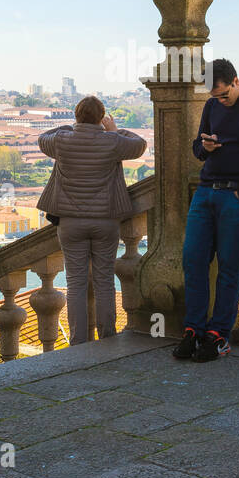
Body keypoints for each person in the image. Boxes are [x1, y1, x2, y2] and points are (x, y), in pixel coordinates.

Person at [174, 58, 239, 362]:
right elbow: (197, 148)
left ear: (235, 81)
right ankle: (193, 331)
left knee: (229, 268)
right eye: (215, 97)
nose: (220, 101)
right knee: (193, 261)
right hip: (205, 192)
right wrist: (204, 148)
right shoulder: (211, 106)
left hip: (236, 197)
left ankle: (218, 335)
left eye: (223, 95)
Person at [36, 96, 147, 345]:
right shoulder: (113, 141)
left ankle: (78, 341)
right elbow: (139, 145)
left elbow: (42, 138)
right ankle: (107, 337)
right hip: (105, 221)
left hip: (70, 222)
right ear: (101, 117)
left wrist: (67, 127)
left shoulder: (63, 140)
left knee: (75, 283)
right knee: (104, 281)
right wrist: (114, 129)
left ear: (76, 116)